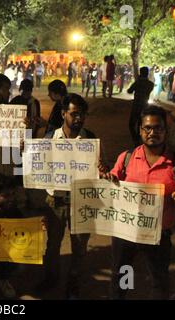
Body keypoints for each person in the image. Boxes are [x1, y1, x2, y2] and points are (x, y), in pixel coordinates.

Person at [104, 106, 175, 299]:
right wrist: (106, 178)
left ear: (166, 131)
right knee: (123, 274)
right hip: (125, 233)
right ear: (140, 130)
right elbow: (111, 182)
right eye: (147, 128)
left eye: (158, 128)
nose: (152, 132)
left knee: (158, 280)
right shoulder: (126, 158)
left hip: (158, 236)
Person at [36, 93, 108, 298]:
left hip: (82, 200)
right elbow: (39, 166)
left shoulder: (92, 139)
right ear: (63, 113)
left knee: (79, 247)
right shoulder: (50, 138)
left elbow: (104, 168)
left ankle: (73, 283)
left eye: (82, 114)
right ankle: (51, 278)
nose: (79, 118)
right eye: (74, 113)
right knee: (52, 245)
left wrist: (103, 169)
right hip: (55, 200)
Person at [127, 66, 154, 146]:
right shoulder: (150, 84)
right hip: (145, 106)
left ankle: (136, 140)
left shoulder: (137, 82)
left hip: (136, 105)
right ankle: (139, 138)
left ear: (140, 73)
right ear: (147, 74)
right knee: (140, 123)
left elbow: (129, 91)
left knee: (131, 124)